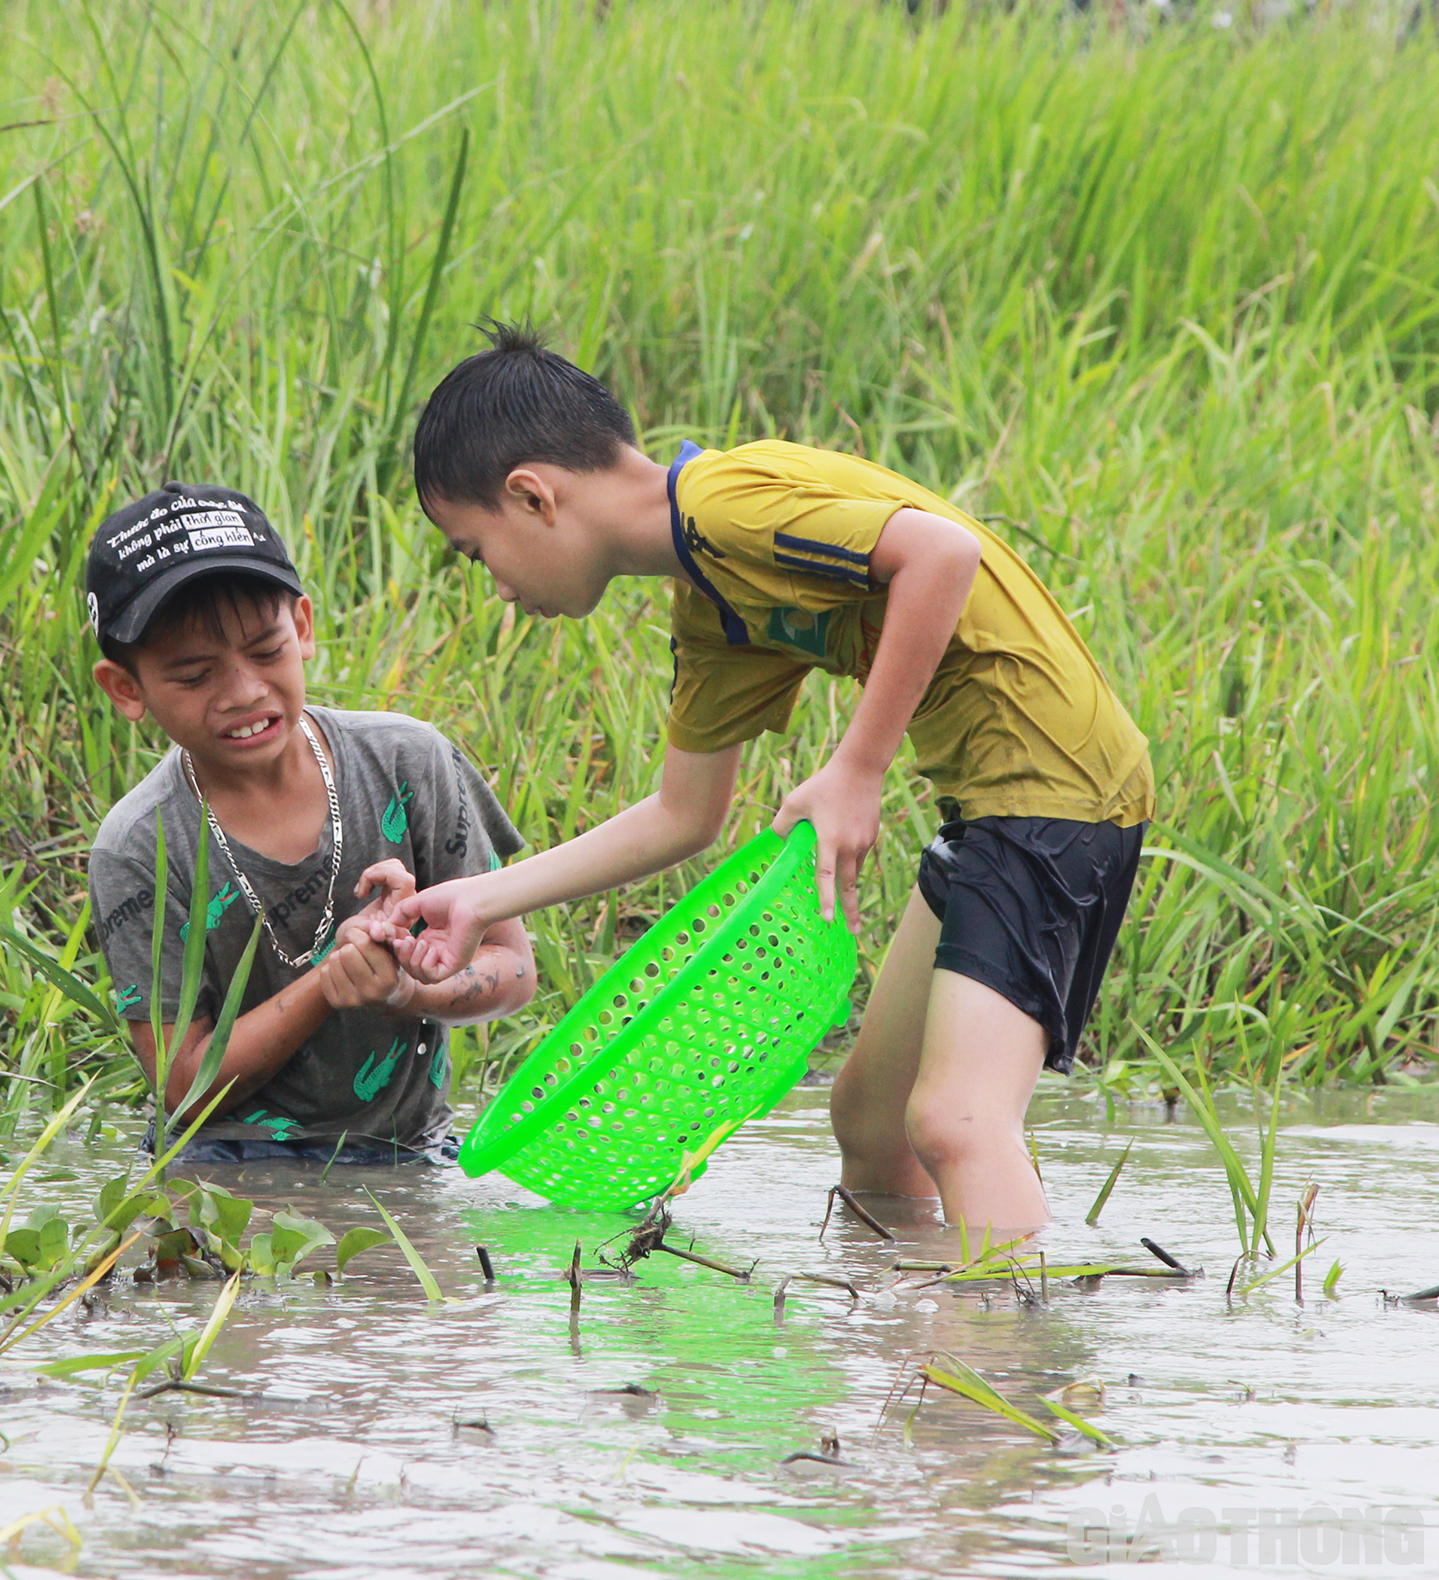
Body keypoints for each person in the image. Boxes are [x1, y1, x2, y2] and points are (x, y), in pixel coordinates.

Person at [380, 326, 1152, 1231]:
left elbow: (940, 555)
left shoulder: (723, 505)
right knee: (871, 1122)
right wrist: (478, 898)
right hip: (989, 805)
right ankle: (917, 1334)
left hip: (1058, 793)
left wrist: (856, 770)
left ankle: (1008, 1361)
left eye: (478, 553)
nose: (498, 589)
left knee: (956, 1118)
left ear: (532, 495)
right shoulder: (710, 599)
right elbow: (683, 814)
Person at [83, 482, 538, 1164]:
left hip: (412, 1150)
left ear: (303, 626)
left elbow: (514, 970)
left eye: (266, 652)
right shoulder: (140, 847)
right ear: (127, 689)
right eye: (194, 674)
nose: (243, 693)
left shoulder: (408, 762)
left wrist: (407, 985)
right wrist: (329, 984)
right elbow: (184, 1084)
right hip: (229, 1165)